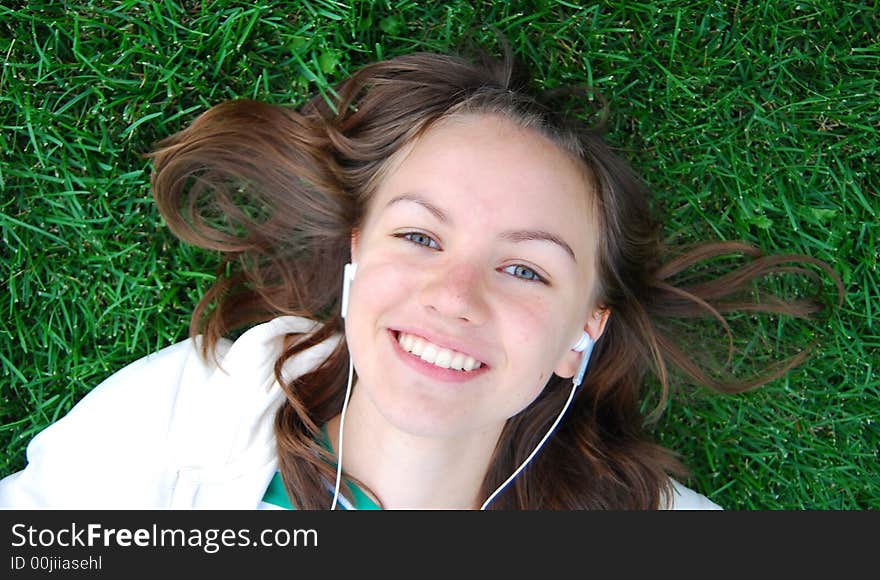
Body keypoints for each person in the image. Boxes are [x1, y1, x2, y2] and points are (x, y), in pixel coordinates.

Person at [0, 48, 839, 510]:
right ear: (358, 257)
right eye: (420, 236)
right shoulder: (198, 405)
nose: (454, 295)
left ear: (582, 332)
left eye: (523, 268)